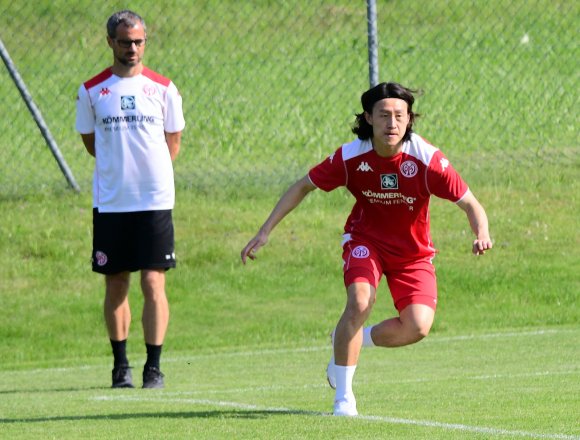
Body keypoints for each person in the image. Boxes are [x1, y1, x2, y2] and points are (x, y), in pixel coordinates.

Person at [240, 82, 492, 416]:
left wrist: (482, 232)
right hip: (365, 242)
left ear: (409, 119)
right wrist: (265, 230)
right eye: (384, 115)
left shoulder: (428, 159)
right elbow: (303, 186)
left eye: (399, 116)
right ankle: (343, 398)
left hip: (413, 253)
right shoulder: (350, 156)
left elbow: (471, 203)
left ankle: (348, 338)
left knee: (417, 326)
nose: (392, 123)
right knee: (360, 301)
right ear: (369, 118)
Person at [75, 10, 185, 389]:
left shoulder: (164, 88)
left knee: (154, 282)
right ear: (110, 42)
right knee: (116, 283)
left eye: (138, 41)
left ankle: (153, 367)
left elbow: (172, 142)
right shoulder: (91, 90)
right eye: (125, 42)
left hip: (154, 201)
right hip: (112, 203)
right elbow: (92, 144)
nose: (133, 48)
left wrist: (146, 171)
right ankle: (120, 366)